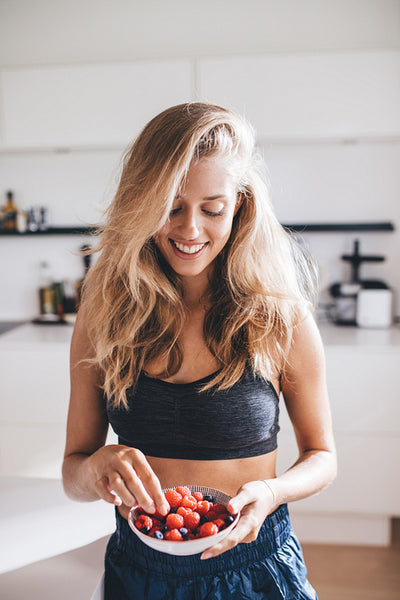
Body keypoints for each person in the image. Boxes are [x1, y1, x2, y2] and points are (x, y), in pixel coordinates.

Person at [62, 102, 337, 600]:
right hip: (138, 568)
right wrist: (95, 466)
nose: (190, 229)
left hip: (253, 569)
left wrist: (271, 492)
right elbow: (73, 473)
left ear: (240, 205)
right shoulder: (104, 312)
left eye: (212, 209)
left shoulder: (279, 314)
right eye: (170, 206)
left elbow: (323, 456)